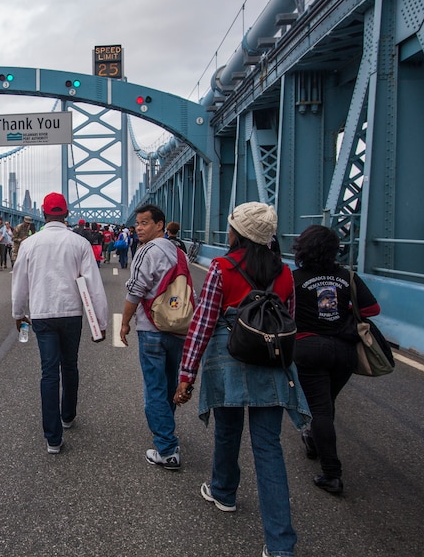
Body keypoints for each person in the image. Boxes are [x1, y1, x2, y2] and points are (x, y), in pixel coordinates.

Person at [175, 202, 309, 557]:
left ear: (236, 233)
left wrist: (186, 374)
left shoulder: (221, 267)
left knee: (227, 429)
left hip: (229, 360)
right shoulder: (285, 273)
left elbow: (202, 324)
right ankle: (281, 546)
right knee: (268, 448)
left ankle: (223, 491)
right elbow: (289, 322)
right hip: (270, 363)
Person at [11, 192, 108, 455]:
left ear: (44, 214)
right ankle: (68, 416)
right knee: (70, 365)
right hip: (71, 313)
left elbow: (19, 283)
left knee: (49, 372)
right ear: (66, 214)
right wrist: (100, 322)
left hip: (42, 314)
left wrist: (19, 313)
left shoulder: (30, 244)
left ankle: (53, 438)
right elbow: (94, 285)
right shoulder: (79, 243)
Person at [292, 225, 380, 495]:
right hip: (344, 348)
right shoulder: (346, 277)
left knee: (319, 408)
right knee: (327, 403)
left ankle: (331, 473)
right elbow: (372, 309)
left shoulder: (295, 278)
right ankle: (315, 442)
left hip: (307, 346)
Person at [120, 205, 189, 470]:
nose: (138, 227)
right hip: (178, 327)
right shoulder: (178, 251)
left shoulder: (145, 251)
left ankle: (167, 448)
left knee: (154, 389)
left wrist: (125, 323)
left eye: (145, 223)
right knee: (169, 384)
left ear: (160, 225)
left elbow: (136, 291)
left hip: (152, 329)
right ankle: (167, 433)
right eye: (137, 223)